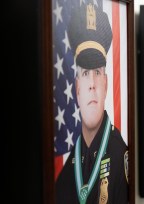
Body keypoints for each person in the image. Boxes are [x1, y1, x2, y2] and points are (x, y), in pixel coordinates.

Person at [55, 1, 128, 203]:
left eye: (97, 72)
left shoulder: (121, 155)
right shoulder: (66, 172)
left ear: (106, 84)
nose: (92, 85)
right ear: (77, 88)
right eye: (86, 73)